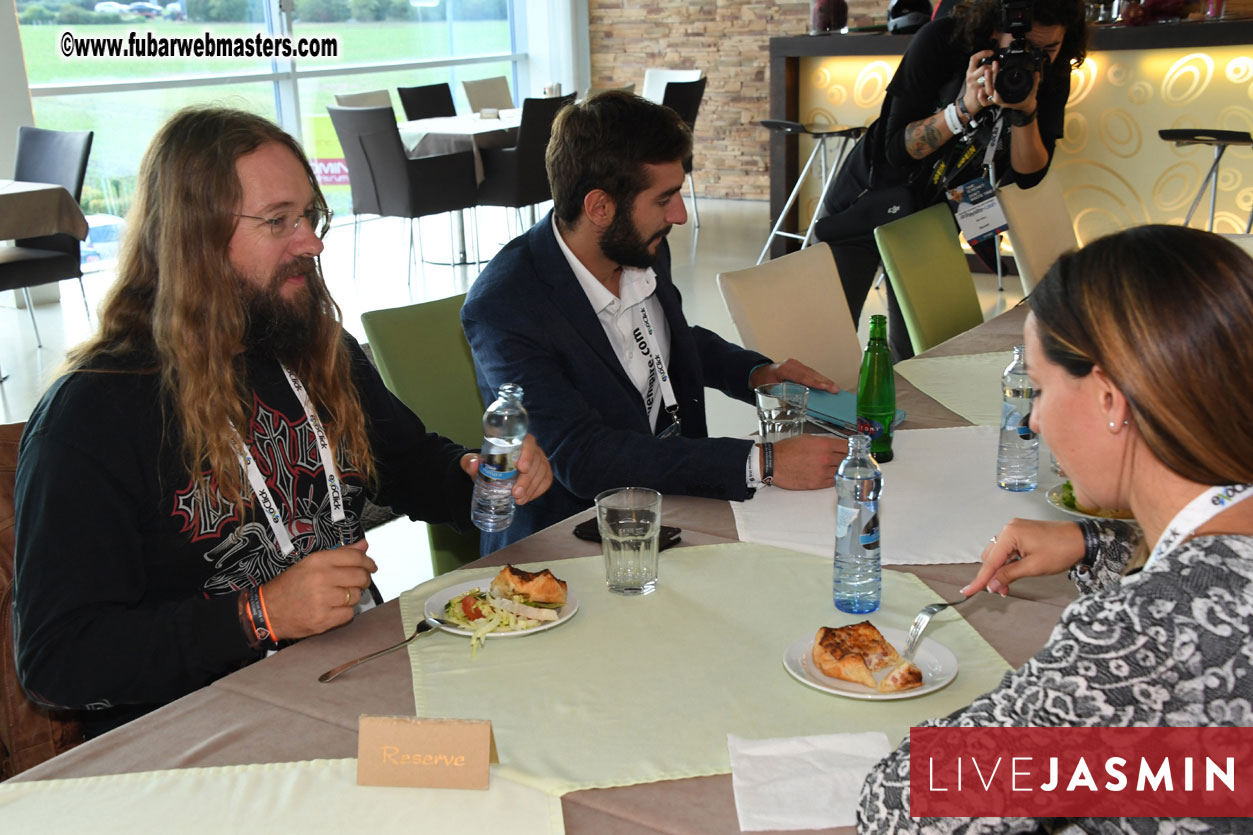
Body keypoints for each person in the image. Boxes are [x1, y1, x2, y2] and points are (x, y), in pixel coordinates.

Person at [11, 107, 552, 738]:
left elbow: (407, 465)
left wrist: (482, 475)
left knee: (524, 744)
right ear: (195, 240)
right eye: (279, 222)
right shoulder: (93, 415)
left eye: (310, 217)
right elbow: (58, 660)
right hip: (203, 735)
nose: (313, 243)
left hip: (350, 685)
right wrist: (259, 615)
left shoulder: (315, 348)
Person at [858, 225, 1253, 833]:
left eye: (1039, 391)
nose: (1034, 422)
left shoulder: (1151, 634)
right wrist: (1098, 543)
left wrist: (1013, 712)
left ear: (1109, 398)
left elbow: (901, 806)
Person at [461, 91, 848, 551]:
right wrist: (760, 462)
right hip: (572, 541)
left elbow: (674, 339)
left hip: (672, 504)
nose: (680, 215)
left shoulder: (637, 245)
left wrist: (756, 373)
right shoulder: (506, 306)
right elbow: (584, 457)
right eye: (664, 199)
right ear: (600, 207)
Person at [814, 0, 1087, 361]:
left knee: (919, 360)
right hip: (868, 201)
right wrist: (961, 111)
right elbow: (895, 150)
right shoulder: (941, 41)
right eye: (1022, 48)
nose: (1034, 58)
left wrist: (1026, 113)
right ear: (992, 31)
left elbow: (1028, 175)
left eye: (1049, 49)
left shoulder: (1052, 69)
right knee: (821, 347)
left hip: (932, 216)